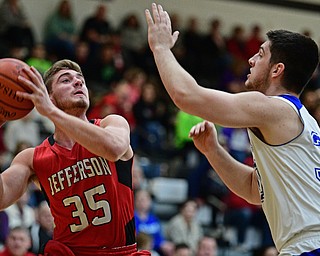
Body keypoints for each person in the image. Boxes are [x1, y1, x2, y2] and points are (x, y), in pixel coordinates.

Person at [145, 3, 320, 256]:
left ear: (277, 70)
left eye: (260, 54)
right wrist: (213, 150)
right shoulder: (305, 122)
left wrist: (160, 48)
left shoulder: (272, 108)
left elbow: (188, 96)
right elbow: (254, 189)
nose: (250, 59)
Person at [0, 59, 151, 256]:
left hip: (119, 252)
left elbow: (113, 148)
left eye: (81, 80)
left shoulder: (111, 124)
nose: (78, 82)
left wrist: (52, 113)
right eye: (66, 80)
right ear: (49, 98)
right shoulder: (32, 158)